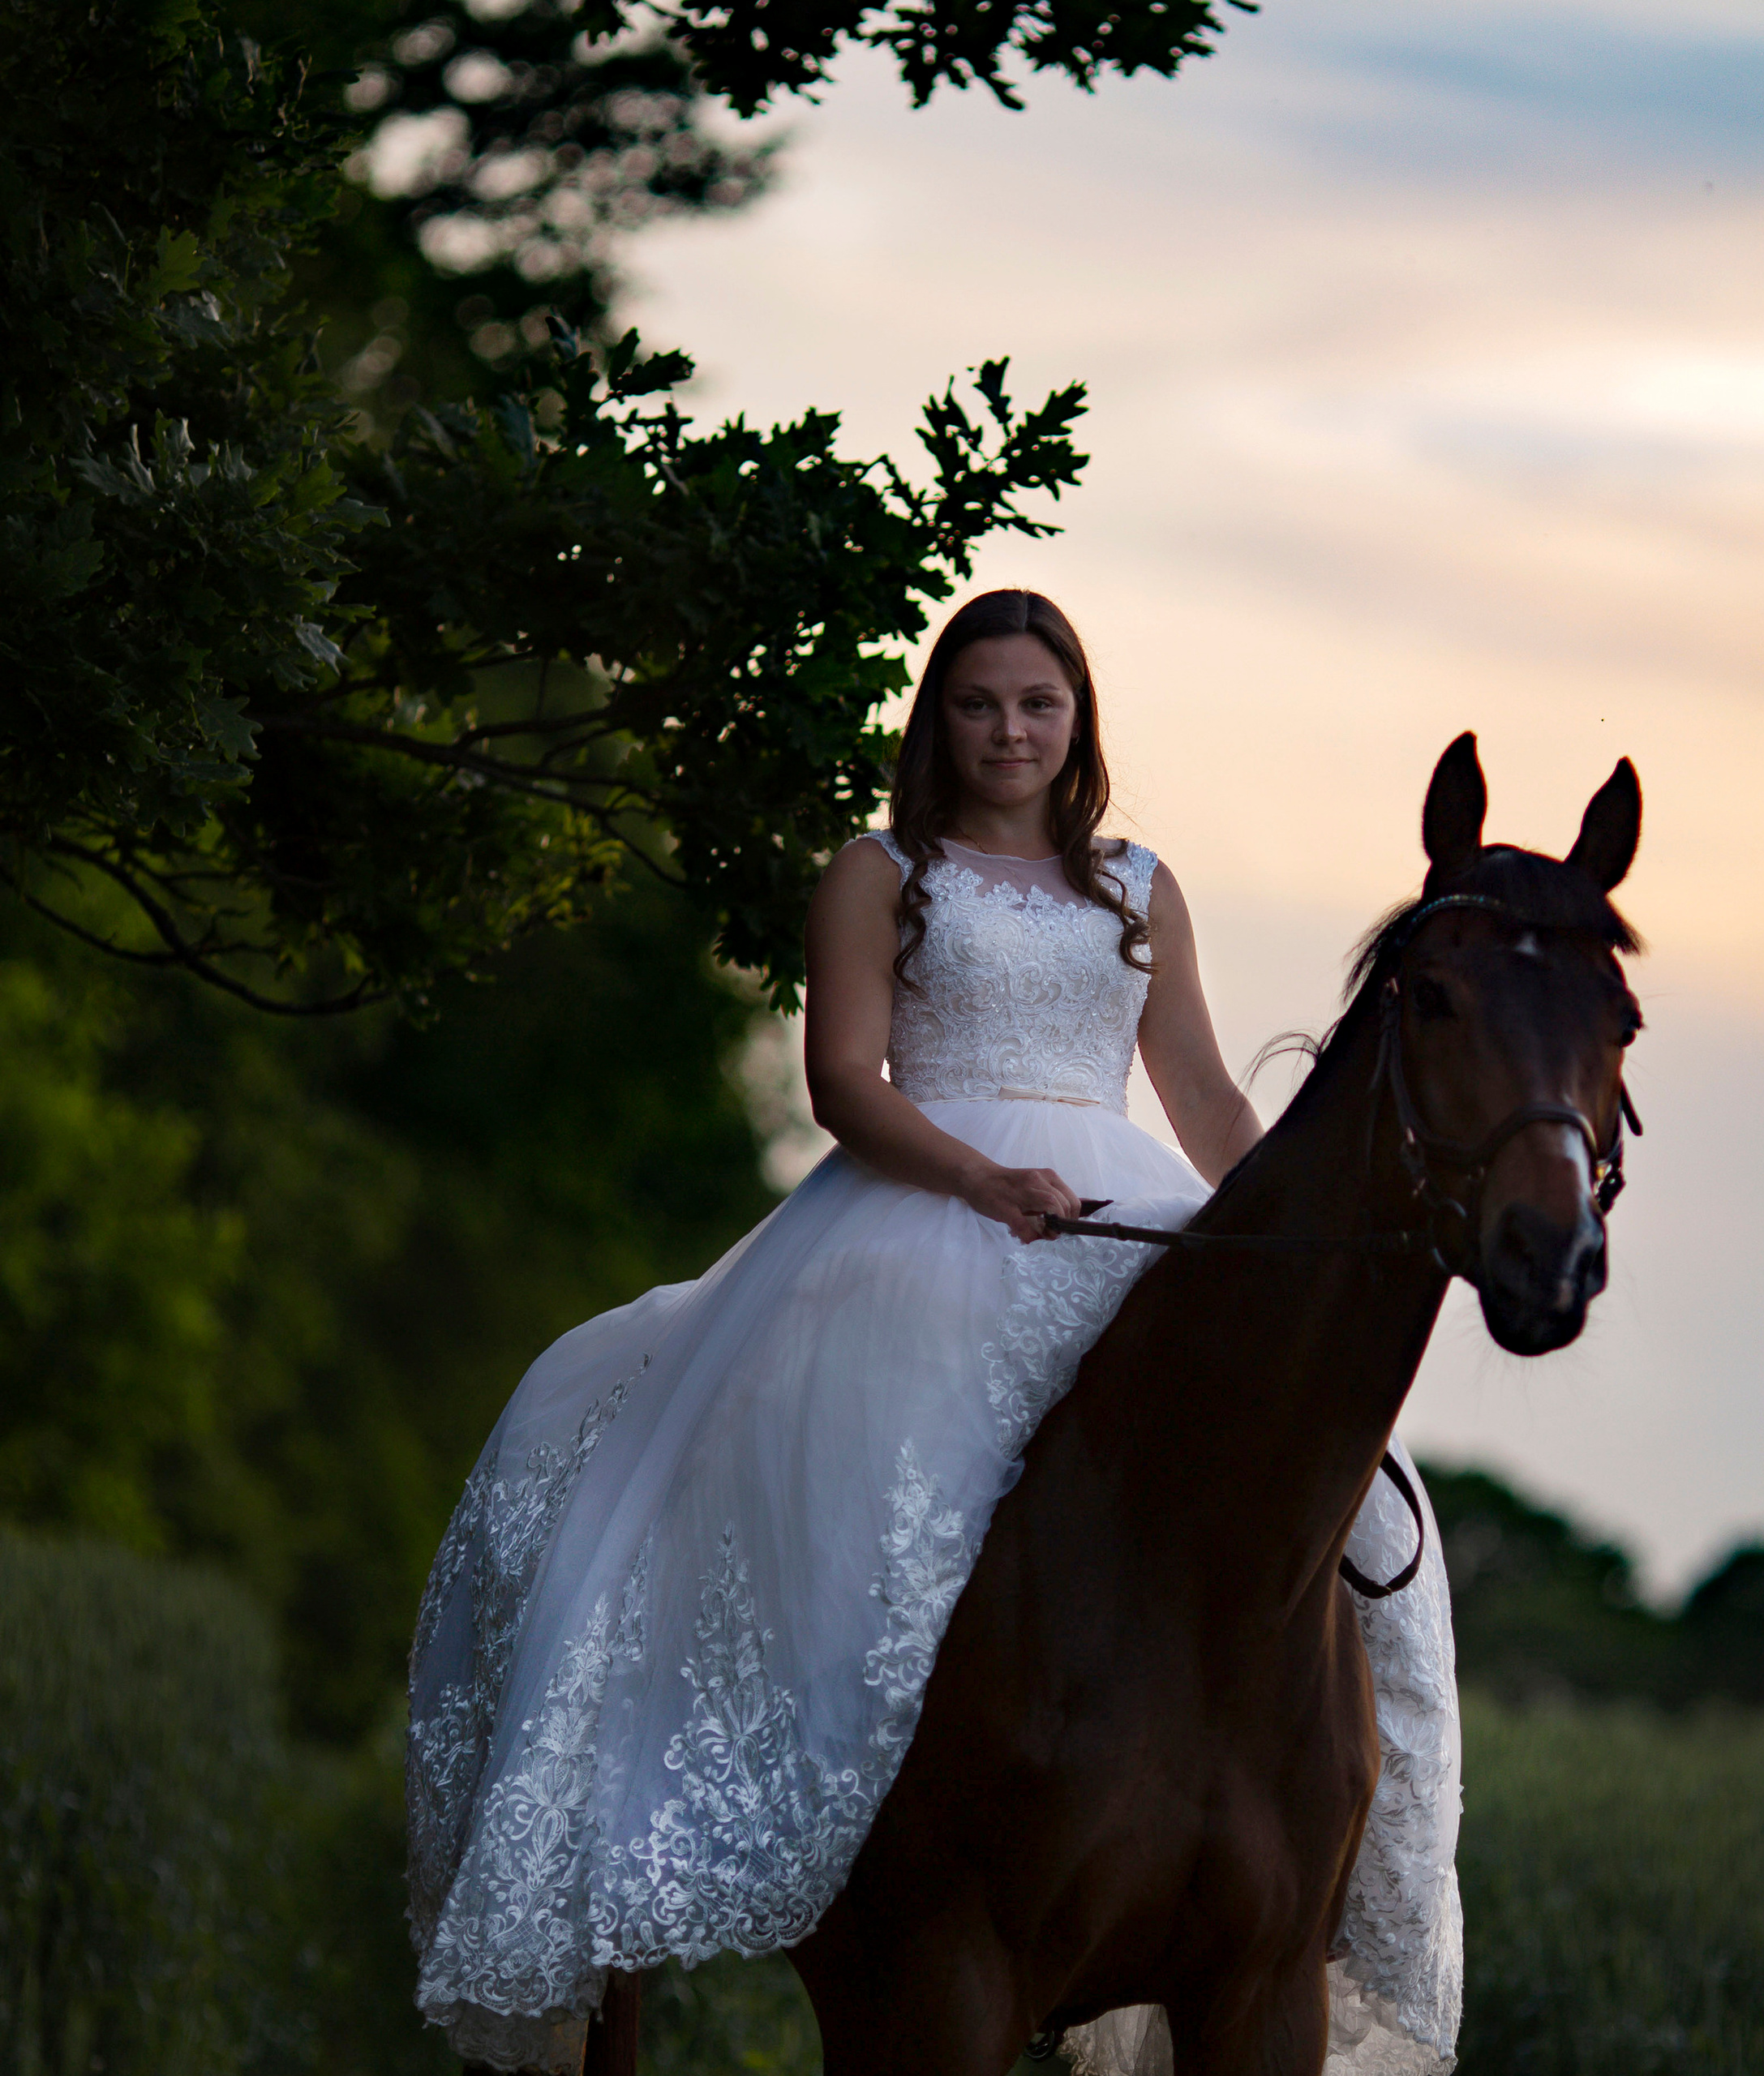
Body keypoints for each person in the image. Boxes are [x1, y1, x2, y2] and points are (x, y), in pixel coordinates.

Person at [405, 590, 1462, 2076]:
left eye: (1039, 704)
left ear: (1078, 719)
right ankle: (846, 1803)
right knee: (874, 1489)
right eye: (980, 704)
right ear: (938, 720)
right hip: (922, 1208)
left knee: (1355, 1513)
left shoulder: (1140, 887)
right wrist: (981, 1182)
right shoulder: (880, 873)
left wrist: (1289, 1254)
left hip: (1121, 1207)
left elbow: (1208, 1099)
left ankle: (1364, 1851)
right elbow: (846, 1081)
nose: (1011, 732)